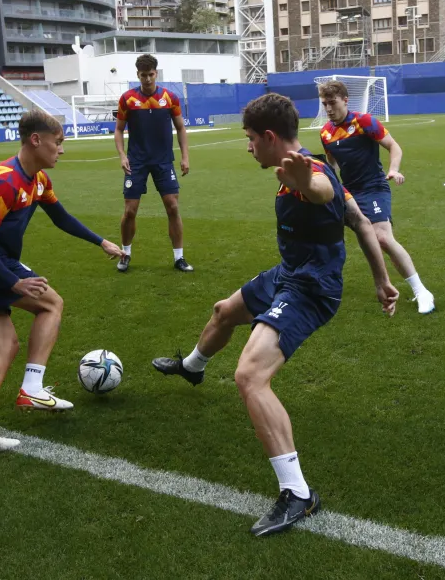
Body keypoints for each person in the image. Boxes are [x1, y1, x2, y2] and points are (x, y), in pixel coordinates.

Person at [151, 93, 399, 537]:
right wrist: (381, 281)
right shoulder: (299, 167)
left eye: (249, 138)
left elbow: (322, 191)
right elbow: (360, 221)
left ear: (269, 137)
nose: (247, 147)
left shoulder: (311, 170)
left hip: (311, 288)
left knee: (249, 375)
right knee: (224, 312)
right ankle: (192, 368)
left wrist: (309, 185)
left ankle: (298, 494)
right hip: (288, 273)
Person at [0, 109, 123, 454]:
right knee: (51, 302)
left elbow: (60, 217)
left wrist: (100, 241)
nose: (62, 150)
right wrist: (14, 283)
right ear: (36, 140)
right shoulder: (4, 181)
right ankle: (31, 388)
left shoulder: (37, 180)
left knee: (5, 344)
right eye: (58, 142)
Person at [318, 80, 435, 314]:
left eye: (332, 103)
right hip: (348, 193)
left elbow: (394, 146)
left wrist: (393, 169)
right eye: (324, 104)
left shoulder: (364, 122)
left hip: (373, 187)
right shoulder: (326, 133)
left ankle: (422, 291)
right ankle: (315, 288)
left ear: (345, 100)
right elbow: (332, 165)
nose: (329, 109)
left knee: (381, 237)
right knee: (322, 234)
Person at [114, 53, 192, 273]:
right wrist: (122, 155)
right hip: (136, 161)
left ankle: (179, 257)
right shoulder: (127, 99)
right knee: (130, 211)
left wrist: (185, 156)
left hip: (163, 161)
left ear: (156, 73)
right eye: (143, 75)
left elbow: (181, 128)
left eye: (150, 74)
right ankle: (125, 253)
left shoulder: (170, 98)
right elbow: (119, 130)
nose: (147, 79)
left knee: (173, 207)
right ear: (137, 75)